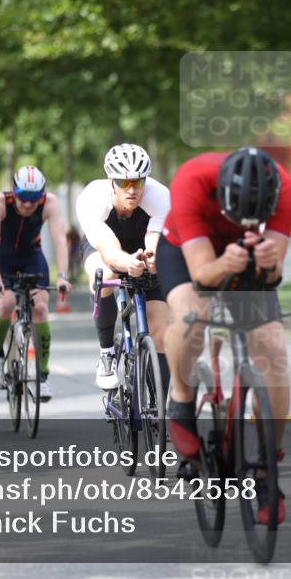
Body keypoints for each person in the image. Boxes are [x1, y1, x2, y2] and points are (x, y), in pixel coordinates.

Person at [157, 147, 291, 525]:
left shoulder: (285, 187)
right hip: (186, 251)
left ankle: (269, 469)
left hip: (243, 256)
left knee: (273, 348)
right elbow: (203, 275)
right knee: (192, 316)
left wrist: (268, 265)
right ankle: (182, 398)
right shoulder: (191, 179)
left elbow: (273, 276)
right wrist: (224, 264)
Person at [76, 143, 170, 392]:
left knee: (160, 335)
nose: (131, 189)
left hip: (140, 243)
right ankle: (106, 352)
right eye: (123, 182)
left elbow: (154, 241)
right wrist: (127, 263)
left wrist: (152, 259)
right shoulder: (92, 199)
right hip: (104, 247)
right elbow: (109, 251)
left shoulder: (159, 196)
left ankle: (159, 412)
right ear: (111, 180)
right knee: (105, 274)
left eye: (138, 182)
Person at [0, 166, 72, 398]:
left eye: (34, 199)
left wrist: (62, 275)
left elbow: (59, 240)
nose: (27, 204)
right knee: (5, 304)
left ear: (42, 195)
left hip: (32, 257)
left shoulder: (50, 204)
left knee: (40, 309)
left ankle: (42, 376)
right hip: (2, 259)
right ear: (14, 193)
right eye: (23, 198)